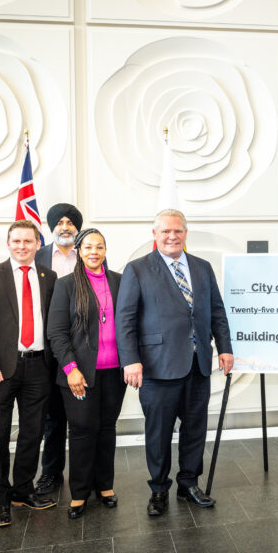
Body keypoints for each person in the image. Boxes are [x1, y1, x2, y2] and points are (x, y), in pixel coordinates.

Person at [118, 209, 234, 516]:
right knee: (158, 432)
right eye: (166, 231)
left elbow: (217, 311)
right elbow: (125, 320)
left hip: (198, 365)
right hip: (156, 367)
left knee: (195, 429)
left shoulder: (202, 267)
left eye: (178, 231)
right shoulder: (137, 269)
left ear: (185, 233)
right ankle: (158, 489)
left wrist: (225, 347)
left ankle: (188, 484)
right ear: (154, 234)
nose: (172, 236)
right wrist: (130, 361)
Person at [0, 220, 58, 528]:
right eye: (16, 241)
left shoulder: (50, 277)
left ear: (37, 244)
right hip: (0, 370)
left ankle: (23, 490)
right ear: (8, 244)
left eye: (28, 241)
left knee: (33, 433)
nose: (22, 246)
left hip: (38, 367)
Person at [47, 229, 126, 519]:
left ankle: (104, 485)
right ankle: (79, 493)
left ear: (106, 250)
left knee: (107, 429)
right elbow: (56, 333)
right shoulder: (66, 285)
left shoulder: (119, 281)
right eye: (88, 247)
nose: (94, 251)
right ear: (79, 251)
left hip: (114, 372)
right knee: (81, 431)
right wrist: (71, 369)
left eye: (100, 246)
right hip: (79, 374)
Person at [34, 202, 82, 496]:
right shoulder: (37, 256)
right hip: (45, 351)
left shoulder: (90, 254)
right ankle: (51, 474)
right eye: (59, 222)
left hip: (82, 351)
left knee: (82, 418)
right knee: (52, 419)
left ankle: (83, 474)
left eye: (70, 222)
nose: (65, 227)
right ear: (51, 228)